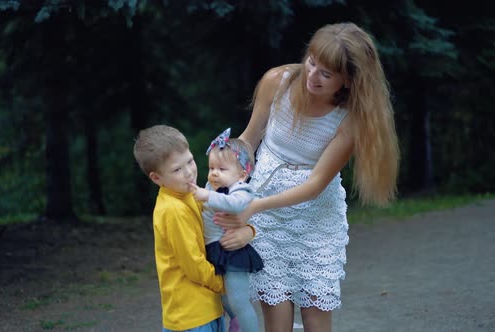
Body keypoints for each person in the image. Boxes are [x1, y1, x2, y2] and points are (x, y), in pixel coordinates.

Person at [214, 22, 400, 331]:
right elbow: (250, 138)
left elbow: (315, 186)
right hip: (267, 216)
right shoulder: (277, 82)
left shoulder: (350, 119)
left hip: (315, 218)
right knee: (277, 313)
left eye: (326, 74)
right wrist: (225, 165)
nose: (312, 76)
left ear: (348, 81)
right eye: (311, 62)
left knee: (315, 314)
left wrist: (254, 207)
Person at [133, 124, 231, 332]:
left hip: (206, 307)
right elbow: (193, 265)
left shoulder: (190, 194)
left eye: (190, 161)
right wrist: (226, 285)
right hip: (191, 316)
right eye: (177, 169)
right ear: (156, 178)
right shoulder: (172, 210)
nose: (189, 172)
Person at [189, 128, 263, 332]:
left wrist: (207, 196)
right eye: (211, 167)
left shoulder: (241, 190)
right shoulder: (210, 187)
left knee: (239, 300)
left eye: (222, 169)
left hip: (232, 252)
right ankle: (237, 324)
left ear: (242, 174)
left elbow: (236, 205)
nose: (214, 173)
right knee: (223, 297)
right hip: (215, 249)